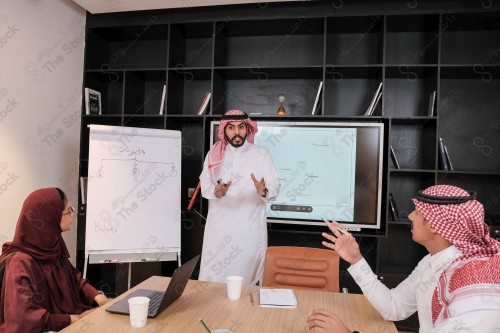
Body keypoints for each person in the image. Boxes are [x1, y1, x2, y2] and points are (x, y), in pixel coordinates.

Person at [307, 185, 500, 333]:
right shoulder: (433, 263)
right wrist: (356, 261)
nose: (409, 216)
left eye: (417, 212)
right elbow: (394, 307)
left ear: (434, 225)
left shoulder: (475, 286)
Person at [0, 188, 109, 333]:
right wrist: (72, 319)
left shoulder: (52, 246)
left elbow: (73, 280)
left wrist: (98, 296)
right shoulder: (20, 263)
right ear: (50, 216)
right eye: (68, 209)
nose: (73, 214)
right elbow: (23, 319)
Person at [198, 110, 280, 285]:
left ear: (247, 128)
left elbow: (274, 186)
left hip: (249, 234)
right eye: (231, 128)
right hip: (218, 233)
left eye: (241, 127)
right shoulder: (214, 155)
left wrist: (262, 191)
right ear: (224, 130)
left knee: (245, 288)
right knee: (211, 285)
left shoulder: (261, 154)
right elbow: (205, 185)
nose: (237, 132)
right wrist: (216, 192)